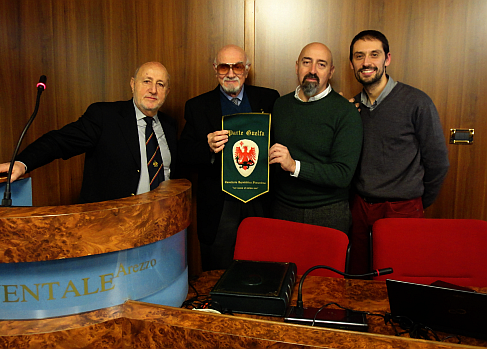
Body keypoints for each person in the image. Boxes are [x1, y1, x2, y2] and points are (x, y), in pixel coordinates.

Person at [0, 62, 177, 204]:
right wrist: (23, 163)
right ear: (133, 84)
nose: (153, 90)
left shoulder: (169, 125)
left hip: (159, 226)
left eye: (160, 84)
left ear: (167, 91)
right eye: (147, 81)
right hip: (110, 226)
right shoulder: (105, 117)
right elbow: (59, 142)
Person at [348, 30, 449, 274]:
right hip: (361, 208)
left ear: (387, 59)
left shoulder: (416, 102)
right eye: (359, 56)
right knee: (359, 280)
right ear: (352, 63)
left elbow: (438, 163)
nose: (366, 62)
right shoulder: (351, 108)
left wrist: (416, 202)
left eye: (374, 54)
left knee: (400, 278)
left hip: (403, 209)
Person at [179, 44, 279, 271]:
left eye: (238, 66)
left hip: (260, 201)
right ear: (215, 69)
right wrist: (208, 147)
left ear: (247, 69)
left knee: (262, 267)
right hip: (220, 206)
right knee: (218, 271)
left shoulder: (269, 99)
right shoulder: (197, 106)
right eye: (224, 67)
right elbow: (183, 154)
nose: (231, 73)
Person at [269, 42, 363, 234]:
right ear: (297, 66)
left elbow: (343, 174)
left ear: (331, 72)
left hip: (328, 213)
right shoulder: (280, 105)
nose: (312, 70)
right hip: (281, 210)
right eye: (306, 62)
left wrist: (295, 166)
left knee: (324, 266)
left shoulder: (345, 112)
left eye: (321, 64)